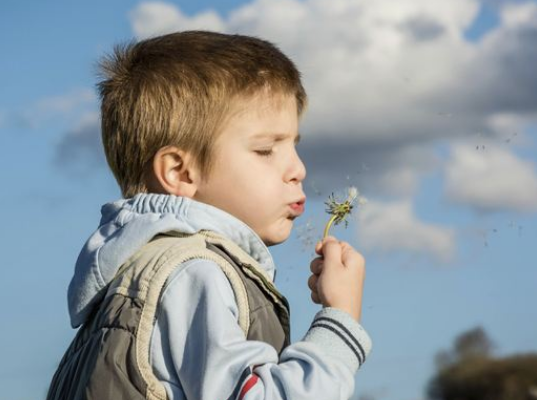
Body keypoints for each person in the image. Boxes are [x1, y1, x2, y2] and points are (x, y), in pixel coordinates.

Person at [47, 30, 371, 400]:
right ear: (180, 173)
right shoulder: (192, 273)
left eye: (293, 146)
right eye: (266, 150)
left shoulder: (131, 283)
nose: (298, 169)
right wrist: (339, 320)